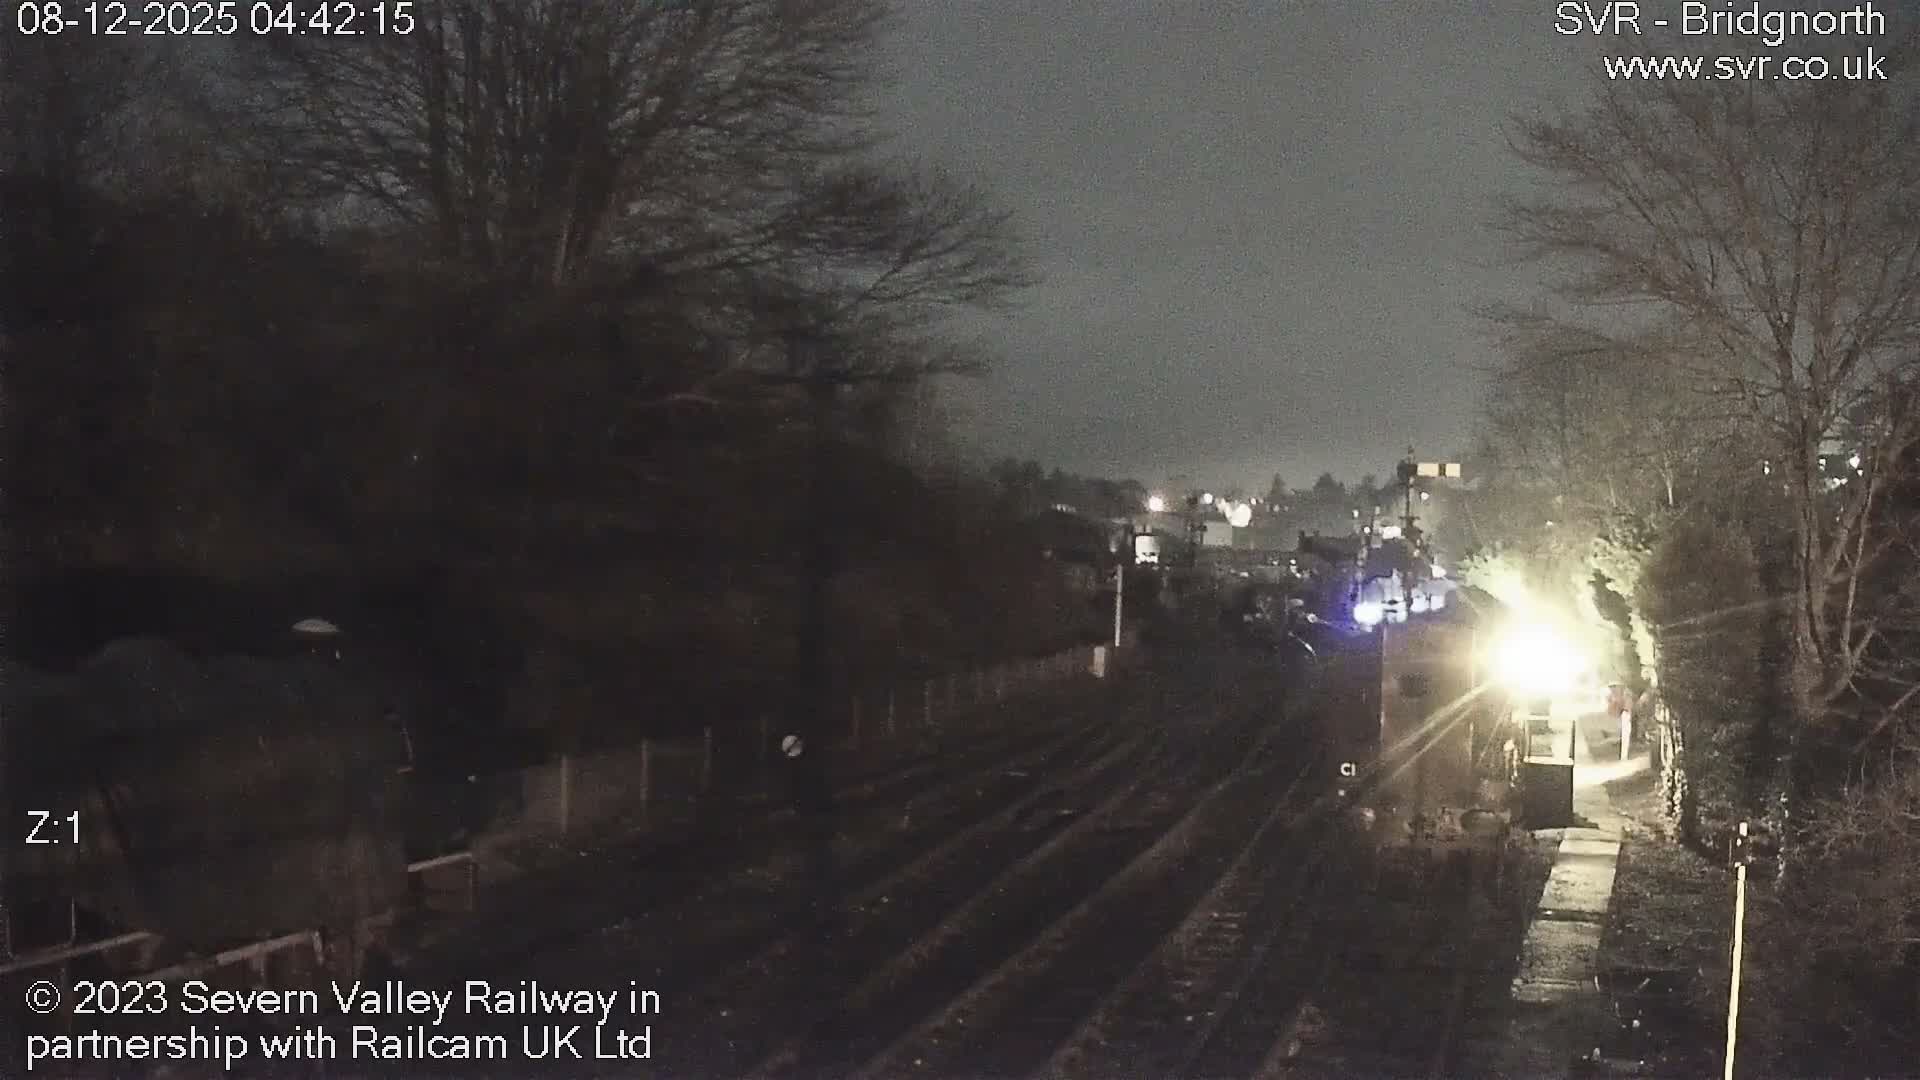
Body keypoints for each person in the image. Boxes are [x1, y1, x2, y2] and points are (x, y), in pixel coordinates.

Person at [1607, 682, 1633, 763]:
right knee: (1625, 735)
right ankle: (1624, 756)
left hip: (1625, 714)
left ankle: (1624, 756)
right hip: (1625, 714)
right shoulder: (1622, 696)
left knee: (1625, 736)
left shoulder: (1622, 695)